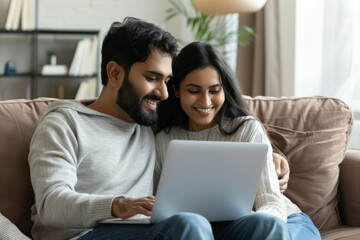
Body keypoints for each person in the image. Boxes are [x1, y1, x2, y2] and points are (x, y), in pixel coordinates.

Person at [28, 17, 289, 240]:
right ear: (115, 74)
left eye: (166, 81)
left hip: (147, 231)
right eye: (152, 78)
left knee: (266, 226)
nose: (164, 93)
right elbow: (50, 204)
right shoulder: (64, 123)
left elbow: (206, 127)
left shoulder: (149, 125)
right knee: (190, 225)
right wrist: (117, 206)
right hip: (83, 235)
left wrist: (273, 155)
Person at [155, 42, 321, 239]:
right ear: (176, 90)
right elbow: (160, 208)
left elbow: (272, 202)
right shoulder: (163, 140)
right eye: (194, 90)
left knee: (263, 225)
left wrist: (254, 220)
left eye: (215, 90)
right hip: (217, 230)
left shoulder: (245, 129)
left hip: (283, 221)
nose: (205, 101)